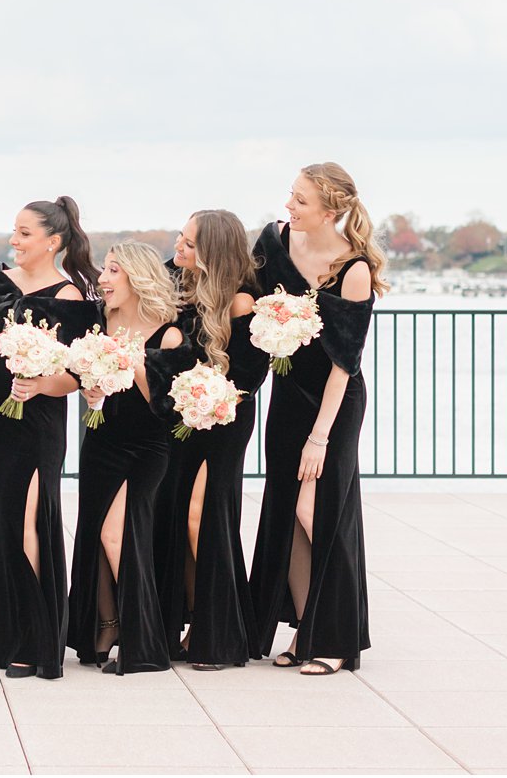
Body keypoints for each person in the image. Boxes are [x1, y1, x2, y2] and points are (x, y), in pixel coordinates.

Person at [248, 162, 386, 675]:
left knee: (320, 512)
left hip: (333, 405)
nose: (289, 206)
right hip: (286, 398)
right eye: (291, 195)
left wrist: (321, 437)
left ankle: (335, 639)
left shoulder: (353, 270)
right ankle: (307, 627)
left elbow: (344, 364)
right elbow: (245, 293)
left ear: (331, 211)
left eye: (300, 200)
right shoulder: (275, 241)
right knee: (289, 513)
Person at [0, 198, 96, 680]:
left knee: (27, 523)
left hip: (36, 423)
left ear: (52, 241)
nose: (13, 241)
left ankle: (35, 639)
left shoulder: (74, 297)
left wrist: (40, 380)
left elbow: (75, 376)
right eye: (13, 232)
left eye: (24, 233)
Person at [155, 210, 268, 670]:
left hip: (224, 419)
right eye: (180, 240)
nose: (178, 249)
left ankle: (218, 632)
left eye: (188, 243)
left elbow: (248, 378)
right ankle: (184, 623)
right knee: (177, 516)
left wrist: (210, 399)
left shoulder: (242, 301)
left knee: (204, 517)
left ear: (213, 251)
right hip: (179, 419)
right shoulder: (176, 282)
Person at [66, 241, 183, 674]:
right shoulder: (102, 320)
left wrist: (134, 361)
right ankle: (106, 627)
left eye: (113, 271)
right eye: (104, 270)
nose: (103, 279)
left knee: (119, 536)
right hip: (101, 441)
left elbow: (164, 404)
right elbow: (84, 378)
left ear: (136, 276)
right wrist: (90, 387)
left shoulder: (168, 332)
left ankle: (144, 642)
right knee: (96, 533)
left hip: (146, 447)